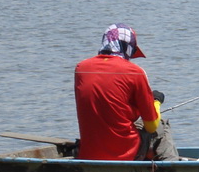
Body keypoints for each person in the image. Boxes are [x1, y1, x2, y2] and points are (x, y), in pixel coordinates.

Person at [74, 23, 179, 161]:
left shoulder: (81, 68)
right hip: (126, 153)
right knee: (162, 126)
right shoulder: (135, 72)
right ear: (127, 48)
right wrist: (156, 101)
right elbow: (151, 126)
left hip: (89, 154)